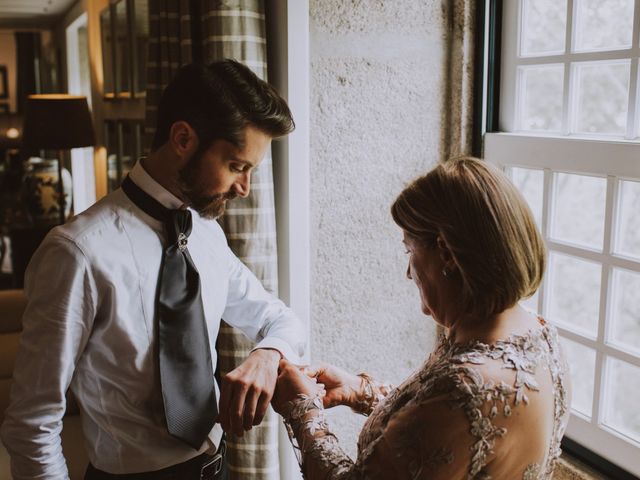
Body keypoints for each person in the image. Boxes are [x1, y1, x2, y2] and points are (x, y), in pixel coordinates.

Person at [0, 60, 307, 480]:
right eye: (237, 166)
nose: (244, 188)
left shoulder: (206, 234)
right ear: (183, 138)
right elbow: (32, 423)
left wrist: (267, 354)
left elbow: (279, 318)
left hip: (218, 468)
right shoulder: (76, 252)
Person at [272, 157, 571, 480]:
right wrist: (360, 391)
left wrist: (303, 410)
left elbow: (455, 409)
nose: (408, 273)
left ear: (446, 254)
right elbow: (452, 433)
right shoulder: (540, 335)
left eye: (409, 251)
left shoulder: (465, 385)